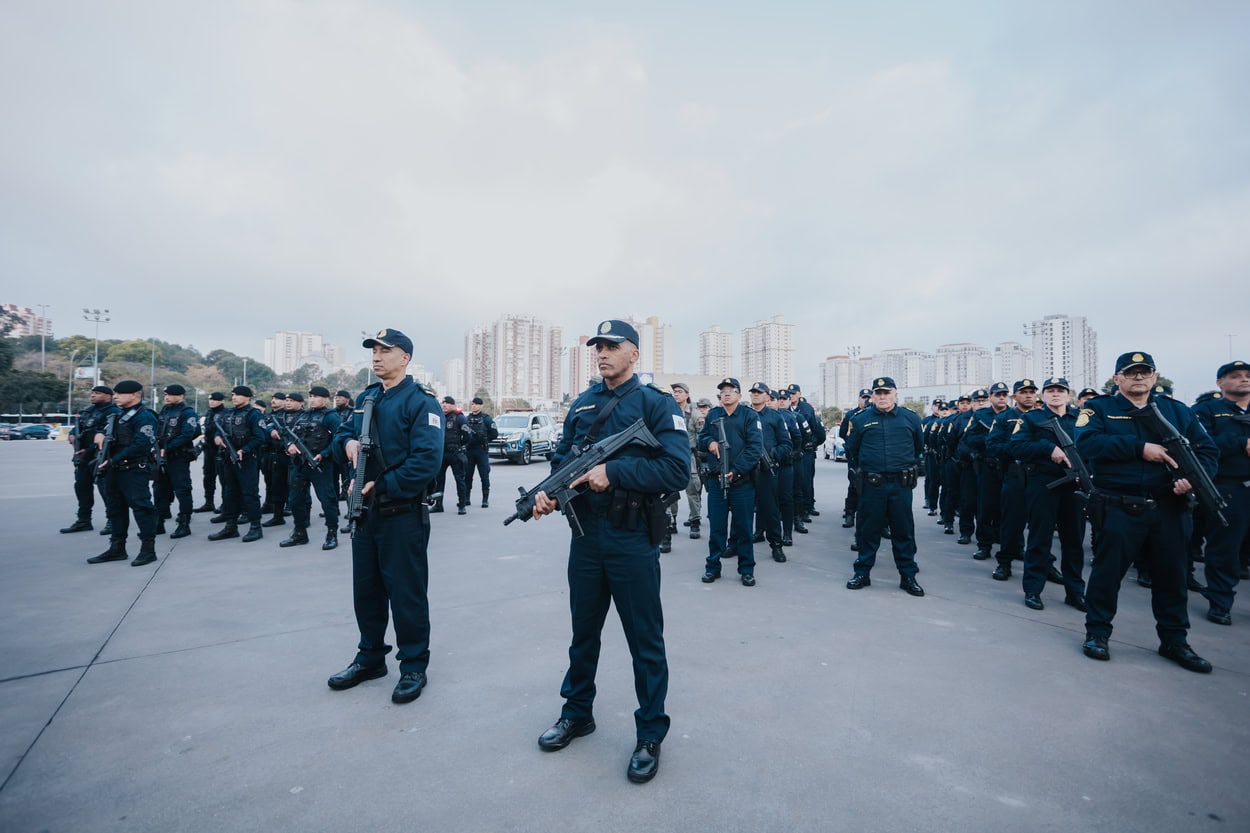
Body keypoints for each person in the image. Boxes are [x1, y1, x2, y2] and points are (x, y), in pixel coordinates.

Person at [529, 319, 688, 784]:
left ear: (634, 353)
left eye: (612, 346)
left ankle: (651, 733)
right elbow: (563, 459)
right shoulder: (582, 403)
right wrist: (548, 493)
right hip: (587, 539)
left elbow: (677, 469)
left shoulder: (656, 405)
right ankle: (577, 712)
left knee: (645, 641)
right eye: (597, 347)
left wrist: (614, 473)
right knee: (584, 635)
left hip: (632, 539)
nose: (602, 353)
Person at [1077, 351, 1217, 672]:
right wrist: (1140, 448)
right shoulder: (1099, 409)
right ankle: (1097, 633)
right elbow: (1087, 445)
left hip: (1170, 507)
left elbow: (1207, 451)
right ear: (1117, 379)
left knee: (1172, 576)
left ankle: (1174, 640)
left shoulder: (1177, 412)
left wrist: (1190, 480)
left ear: (1154, 377)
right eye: (1130, 372)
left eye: (1145, 372)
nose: (1138, 377)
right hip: (1120, 506)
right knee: (1107, 574)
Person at [328, 328, 443, 705]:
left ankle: (412, 665)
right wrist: (346, 443)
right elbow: (341, 434)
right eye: (374, 351)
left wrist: (382, 485)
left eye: (385, 350)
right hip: (365, 516)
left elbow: (426, 461)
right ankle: (371, 657)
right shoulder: (366, 398)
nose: (376, 357)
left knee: (406, 594)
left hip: (401, 513)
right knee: (367, 592)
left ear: (405, 358)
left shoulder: (421, 402)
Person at [843, 377, 925, 597]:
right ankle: (862, 572)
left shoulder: (910, 418)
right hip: (873, 485)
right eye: (877, 393)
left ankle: (908, 576)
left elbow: (918, 446)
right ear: (872, 395)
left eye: (886, 392)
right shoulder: (861, 419)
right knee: (868, 530)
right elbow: (853, 449)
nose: (882, 397)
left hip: (900, 485)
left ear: (895, 394)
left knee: (903, 531)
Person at [1010, 378, 1087, 611]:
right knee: (1039, 538)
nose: (1056, 394)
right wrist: (1047, 448)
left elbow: (1093, 448)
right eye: (1051, 391)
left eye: (1060, 391)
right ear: (1043, 395)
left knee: (1074, 541)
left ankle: (1075, 592)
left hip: (1074, 486)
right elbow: (1016, 447)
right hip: (1043, 484)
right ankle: (1033, 589)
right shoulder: (1031, 418)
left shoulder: (1081, 419)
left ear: (1068, 394)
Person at [1193, 360, 1250, 626]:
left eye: (1247, 375)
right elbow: (1200, 444)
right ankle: (1220, 601)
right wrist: (1241, 443)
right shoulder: (1208, 411)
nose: (1243, 379)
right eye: (1236, 376)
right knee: (1224, 549)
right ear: (1220, 382)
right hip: (1227, 486)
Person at [86, 380, 161, 567]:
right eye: (115, 393)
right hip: (114, 470)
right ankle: (117, 548)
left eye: (120, 393)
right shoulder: (117, 415)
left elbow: (142, 444)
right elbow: (106, 433)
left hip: (134, 469)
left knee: (142, 509)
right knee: (115, 509)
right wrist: (99, 435)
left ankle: (148, 550)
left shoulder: (145, 416)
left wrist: (114, 459)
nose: (116, 396)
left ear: (135, 395)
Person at [699, 377, 763, 585]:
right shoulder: (713, 415)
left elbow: (755, 448)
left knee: (743, 528)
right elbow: (701, 438)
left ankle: (746, 569)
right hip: (717, 481)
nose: (726, 393)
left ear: (739, 395)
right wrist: (709, 442)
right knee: (716, 527)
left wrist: (736, 471)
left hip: (741, 482)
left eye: (731, 390)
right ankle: (713, 567)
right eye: (723, 390)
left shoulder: (749, 416)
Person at [282, 388, 343, 550]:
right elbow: (289, 435)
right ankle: (300, 532)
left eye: (316, 397)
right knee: (295, 500)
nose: (312, 399)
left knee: (327, 500)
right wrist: (289, 446)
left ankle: (331, 533)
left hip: (320, 465)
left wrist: (324, 454)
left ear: (325, 399)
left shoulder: (330, 417)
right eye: (310, 396)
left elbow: (340, 438)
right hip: (300, 464)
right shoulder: (303, 415)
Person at [989, 380, 1038, 581]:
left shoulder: (1043, 416)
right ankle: (1004, 562)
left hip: (1041, 476)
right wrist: (1019, 449)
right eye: (1023, 392)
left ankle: (1042, 564)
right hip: (1015, 473)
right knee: (1011, 522)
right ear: (1014, 396)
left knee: (1040, 525)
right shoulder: (1004, 418)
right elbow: (992, 445)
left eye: (1031, 392)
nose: (1028, 396)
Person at [207, 386, 268, 543]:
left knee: (250, 493)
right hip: (228, 459)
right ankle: (230, 526)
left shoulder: (254, 414)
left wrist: (244, 450)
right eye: (233, 395)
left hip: (246, 460)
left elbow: (260, 437)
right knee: (229, 493)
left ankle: (255, 527)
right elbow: (218, 430)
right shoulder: (227, 413)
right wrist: (217, 437)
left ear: (247, 397)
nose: (234, 398)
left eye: (238, 395)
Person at [60, 385, 119, 534]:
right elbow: (78, 428)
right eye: (92, 393)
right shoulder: (87, 411)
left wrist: (89, 450)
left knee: (105, 489)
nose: (92, 395)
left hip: (100, 456)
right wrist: (72, 434)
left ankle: (113, 520)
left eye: (97, 393)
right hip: (82, 456)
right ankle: (84, 520)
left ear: (108, 396)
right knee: (81, 487)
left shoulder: (113, 412)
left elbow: (107, 434)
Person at [748, 381, 792, 562]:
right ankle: (736, 542)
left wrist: (773, 455)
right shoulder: (744, 415)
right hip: (746, 470)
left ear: (767, 396)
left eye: (760, 392)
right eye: (753, 392)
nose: (756, 395)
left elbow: (786, 444)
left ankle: (776, 545)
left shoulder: (775, 417)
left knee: (771, 510)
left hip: (766, 470)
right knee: (741, 510)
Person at [969, 382, 1011, 560]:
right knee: (986, 507)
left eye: (1004, 394)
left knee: (1010, 508)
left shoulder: (1015, 414)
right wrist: (990, 439)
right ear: (991, 397)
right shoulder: (980, 415)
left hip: (1010, 467)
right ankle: (984, 545)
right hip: (988, 465)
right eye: (997, 394)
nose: (1001, 397)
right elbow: (969, 437)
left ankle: (1010, 544)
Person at [153, 384, 200, 539]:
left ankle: (184, 523)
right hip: (162, 457)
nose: (166, 397)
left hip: (178, 457)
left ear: (180, 395)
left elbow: (189, 434)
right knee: (159, 489)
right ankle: (158, 522)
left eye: (170, 394)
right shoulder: (165, 410)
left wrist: (168, 447)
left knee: (182, 490)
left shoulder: (187, 412)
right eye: (165, 394)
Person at [788, 383, 825, 522]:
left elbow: (816, 429)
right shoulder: (784, 408)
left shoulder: (807, 408)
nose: (791, 396)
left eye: (794, 393)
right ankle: (794, 510)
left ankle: (808, 507)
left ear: (799, 394)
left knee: (806, 480)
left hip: (805, 449)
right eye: (789, 393)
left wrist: (813, 444)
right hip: (791, 450)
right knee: (793, 482)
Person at [773, 390, 803, 546]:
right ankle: (761, 531)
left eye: (775, 399)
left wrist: (791, 454)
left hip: (784, 464)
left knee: (786, 499)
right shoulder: (756, 416)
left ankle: (787, 533)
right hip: (766, 466)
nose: (771, 402)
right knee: (767, 500)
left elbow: (798, 438)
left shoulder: (789, 417)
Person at [839, 389, 872, 528]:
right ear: (859, 398)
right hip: (855, 456)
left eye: (868, 398)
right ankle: (850, 514)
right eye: (863, 398)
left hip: (871, 458)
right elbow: (843, 433)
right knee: (854, 485)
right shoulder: (852, 415)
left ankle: (881, 523)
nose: (866, 400)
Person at [435, 396, 470, 514]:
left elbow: (468, 436)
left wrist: (459, 445)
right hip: (442, 454)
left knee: (459, 479)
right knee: (439, 480)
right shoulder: (438, 417)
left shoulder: (459, 418)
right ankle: (438, 505)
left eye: (447, 403)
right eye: (443, 403)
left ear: (453, 405)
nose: (444, 405)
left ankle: (462, 505)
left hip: (455, 453)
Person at [194, 392, 226, 513]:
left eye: (215, 400)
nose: (211, 402)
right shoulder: (209, 412)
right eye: (210, 400)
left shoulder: (224, 413)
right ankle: (209, 502)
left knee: (224, 479)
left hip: (220, 450)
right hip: (209, 449)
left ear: (221, 401)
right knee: (208, 477)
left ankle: (225, 503)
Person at [464, 397, 497, 509]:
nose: (474, 406)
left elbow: (495, 433)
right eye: (472, 404)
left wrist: (485, 439)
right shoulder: (467, 418)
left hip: (481, 451)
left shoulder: (486, 419)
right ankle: (466, 499)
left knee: (484, 476)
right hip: (469, 451)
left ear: (481, 406)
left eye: (477, 404)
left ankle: (485, 500)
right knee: (468, 476)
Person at [334, 390, 354, 500]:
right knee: (333, 480)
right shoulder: (332, 412)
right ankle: (335, 507)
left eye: (340, 397)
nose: (337, 399)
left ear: (347, 399)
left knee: (347, 479)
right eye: (336, 397)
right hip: (334, 449)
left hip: (346, 450)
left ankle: (349, 506)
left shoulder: (352, 412)